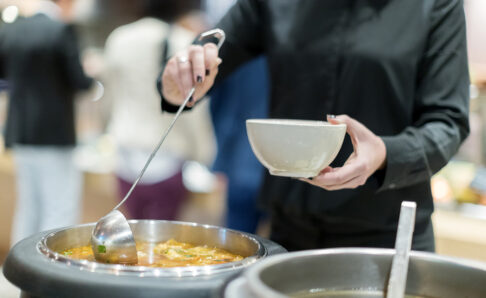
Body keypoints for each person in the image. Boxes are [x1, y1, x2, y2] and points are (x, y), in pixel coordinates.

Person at [157, 0, 470, 252]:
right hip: (289, 234)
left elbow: (448, 122)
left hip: (388, 238)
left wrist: (386, 153)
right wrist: (180, 79)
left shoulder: (436, 5)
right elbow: (211, 52)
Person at [103, 0, 215, 220]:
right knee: (162, 243)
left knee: (131, 233)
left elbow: (110, 97)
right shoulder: (184, 42)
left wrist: (106, 132)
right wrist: (204, 154)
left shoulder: (119, 38)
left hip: (125, 155)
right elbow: (193, 110)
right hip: (167, 156)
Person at [0, 0, 93, 245]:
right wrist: (90, 71)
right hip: (54, 133)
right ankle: (50, 275)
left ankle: (21, 272)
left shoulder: (11, 30)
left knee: (28, 207)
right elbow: (80, 81)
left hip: (19, 131)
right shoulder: (61, 29)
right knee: (59, 208)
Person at [204, 0, 269, 233]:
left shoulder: (236, 48)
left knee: (238, 250)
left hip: (242, 162)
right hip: (287, 172)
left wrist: (221, 160)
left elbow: (217, 105)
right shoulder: (296, 46)